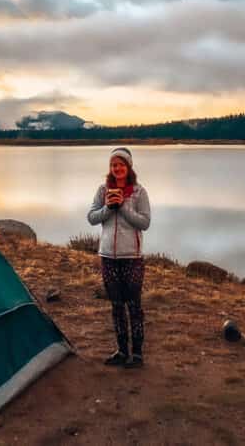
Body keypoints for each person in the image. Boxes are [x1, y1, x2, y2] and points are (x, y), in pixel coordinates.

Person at [87, 146, 151, 369]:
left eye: (121, 164)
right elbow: (92, 217)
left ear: (129, 166)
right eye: (114, 165)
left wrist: (123, 207)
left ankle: (138, 353)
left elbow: (145, 222)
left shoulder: (139, 192)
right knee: (116, 305)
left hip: (132, 256)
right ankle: (122, 350)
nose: (117, 168)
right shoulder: (102, 189)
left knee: (134, 305)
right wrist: (108, 207)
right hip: (108, 257)